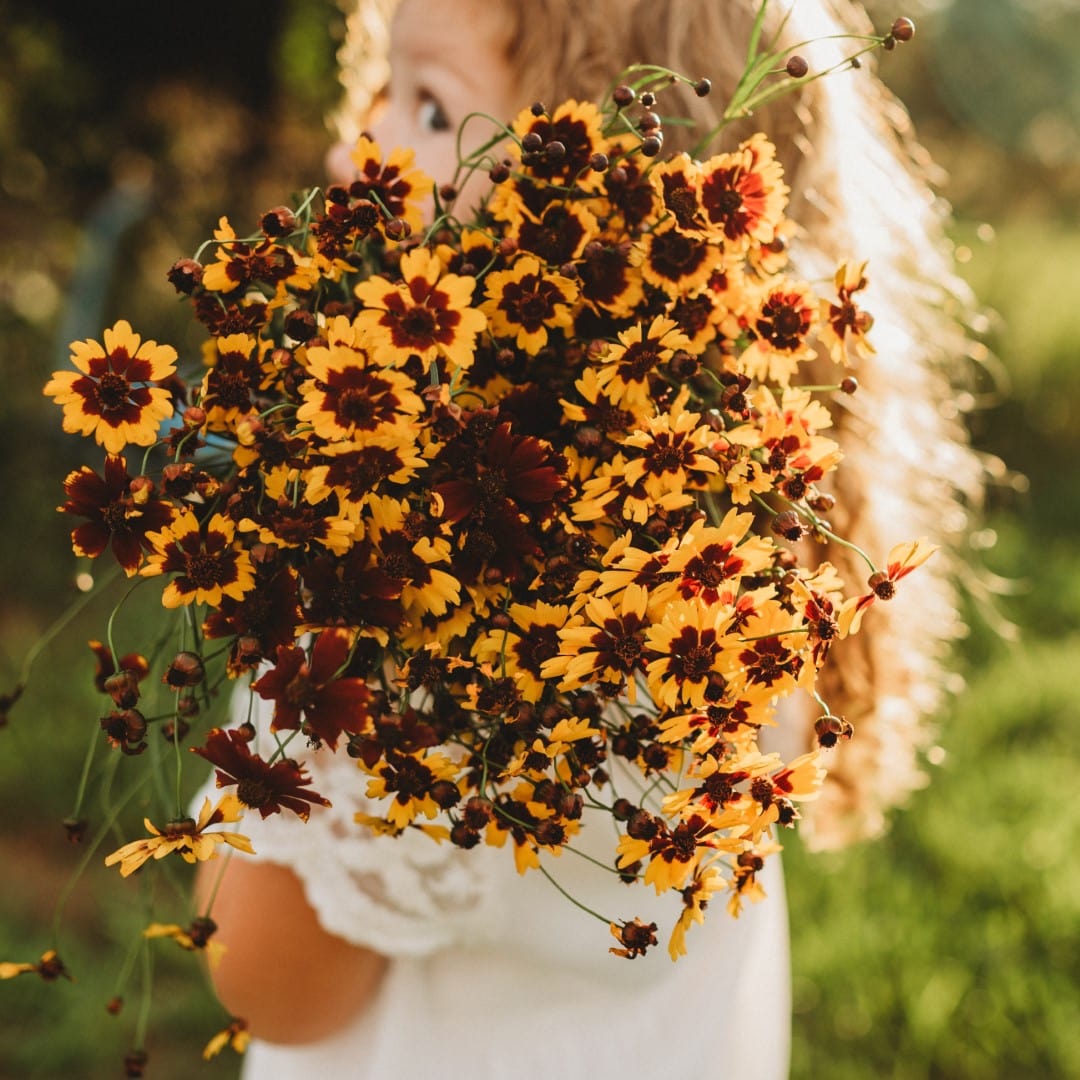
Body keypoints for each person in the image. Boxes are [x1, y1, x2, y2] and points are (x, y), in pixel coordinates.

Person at [195, 2, 984, 1076]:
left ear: (608, 206)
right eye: (382, 81)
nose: (356, 144)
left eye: (427, 104)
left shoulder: (405, 606)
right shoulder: (735, 563)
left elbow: (272, 987)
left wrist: (282, 667)